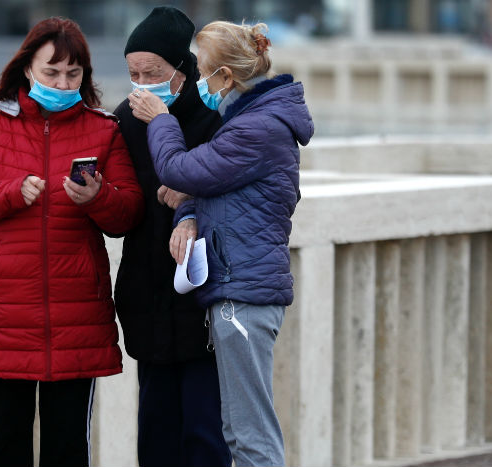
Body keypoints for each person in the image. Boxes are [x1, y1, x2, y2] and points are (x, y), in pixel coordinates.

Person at [0, 17, 144, 467]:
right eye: (51, 72)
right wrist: (9, 192)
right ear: (27, 68)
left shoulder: (103, 129)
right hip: (5, 314)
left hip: (76, 314)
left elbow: (129, 212)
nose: (63, 82)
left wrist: (98, 197)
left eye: (73, 74)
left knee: (68, 447)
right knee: (4, 443)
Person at [128, 20, 314, 467]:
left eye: (202, 71)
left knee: (251, 436)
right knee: (236, 430)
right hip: (240, 291)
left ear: (226, 78)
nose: (198, 82)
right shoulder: (254, 123)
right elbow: (217, 190)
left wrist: (162, 120)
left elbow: (180, 169)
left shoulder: (256, 129)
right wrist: (191, 208)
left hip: (243, 293)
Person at [110, 6, 232, 467]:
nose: (141, 82)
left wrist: (191, 206)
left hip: (202, 298)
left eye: (153, 72)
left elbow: (236, 190)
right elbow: (121, 208)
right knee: (156, 433)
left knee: (204, 433)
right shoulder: (123, 120)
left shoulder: (213, 115)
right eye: (133, 73)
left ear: (182, 71)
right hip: (147, 293)